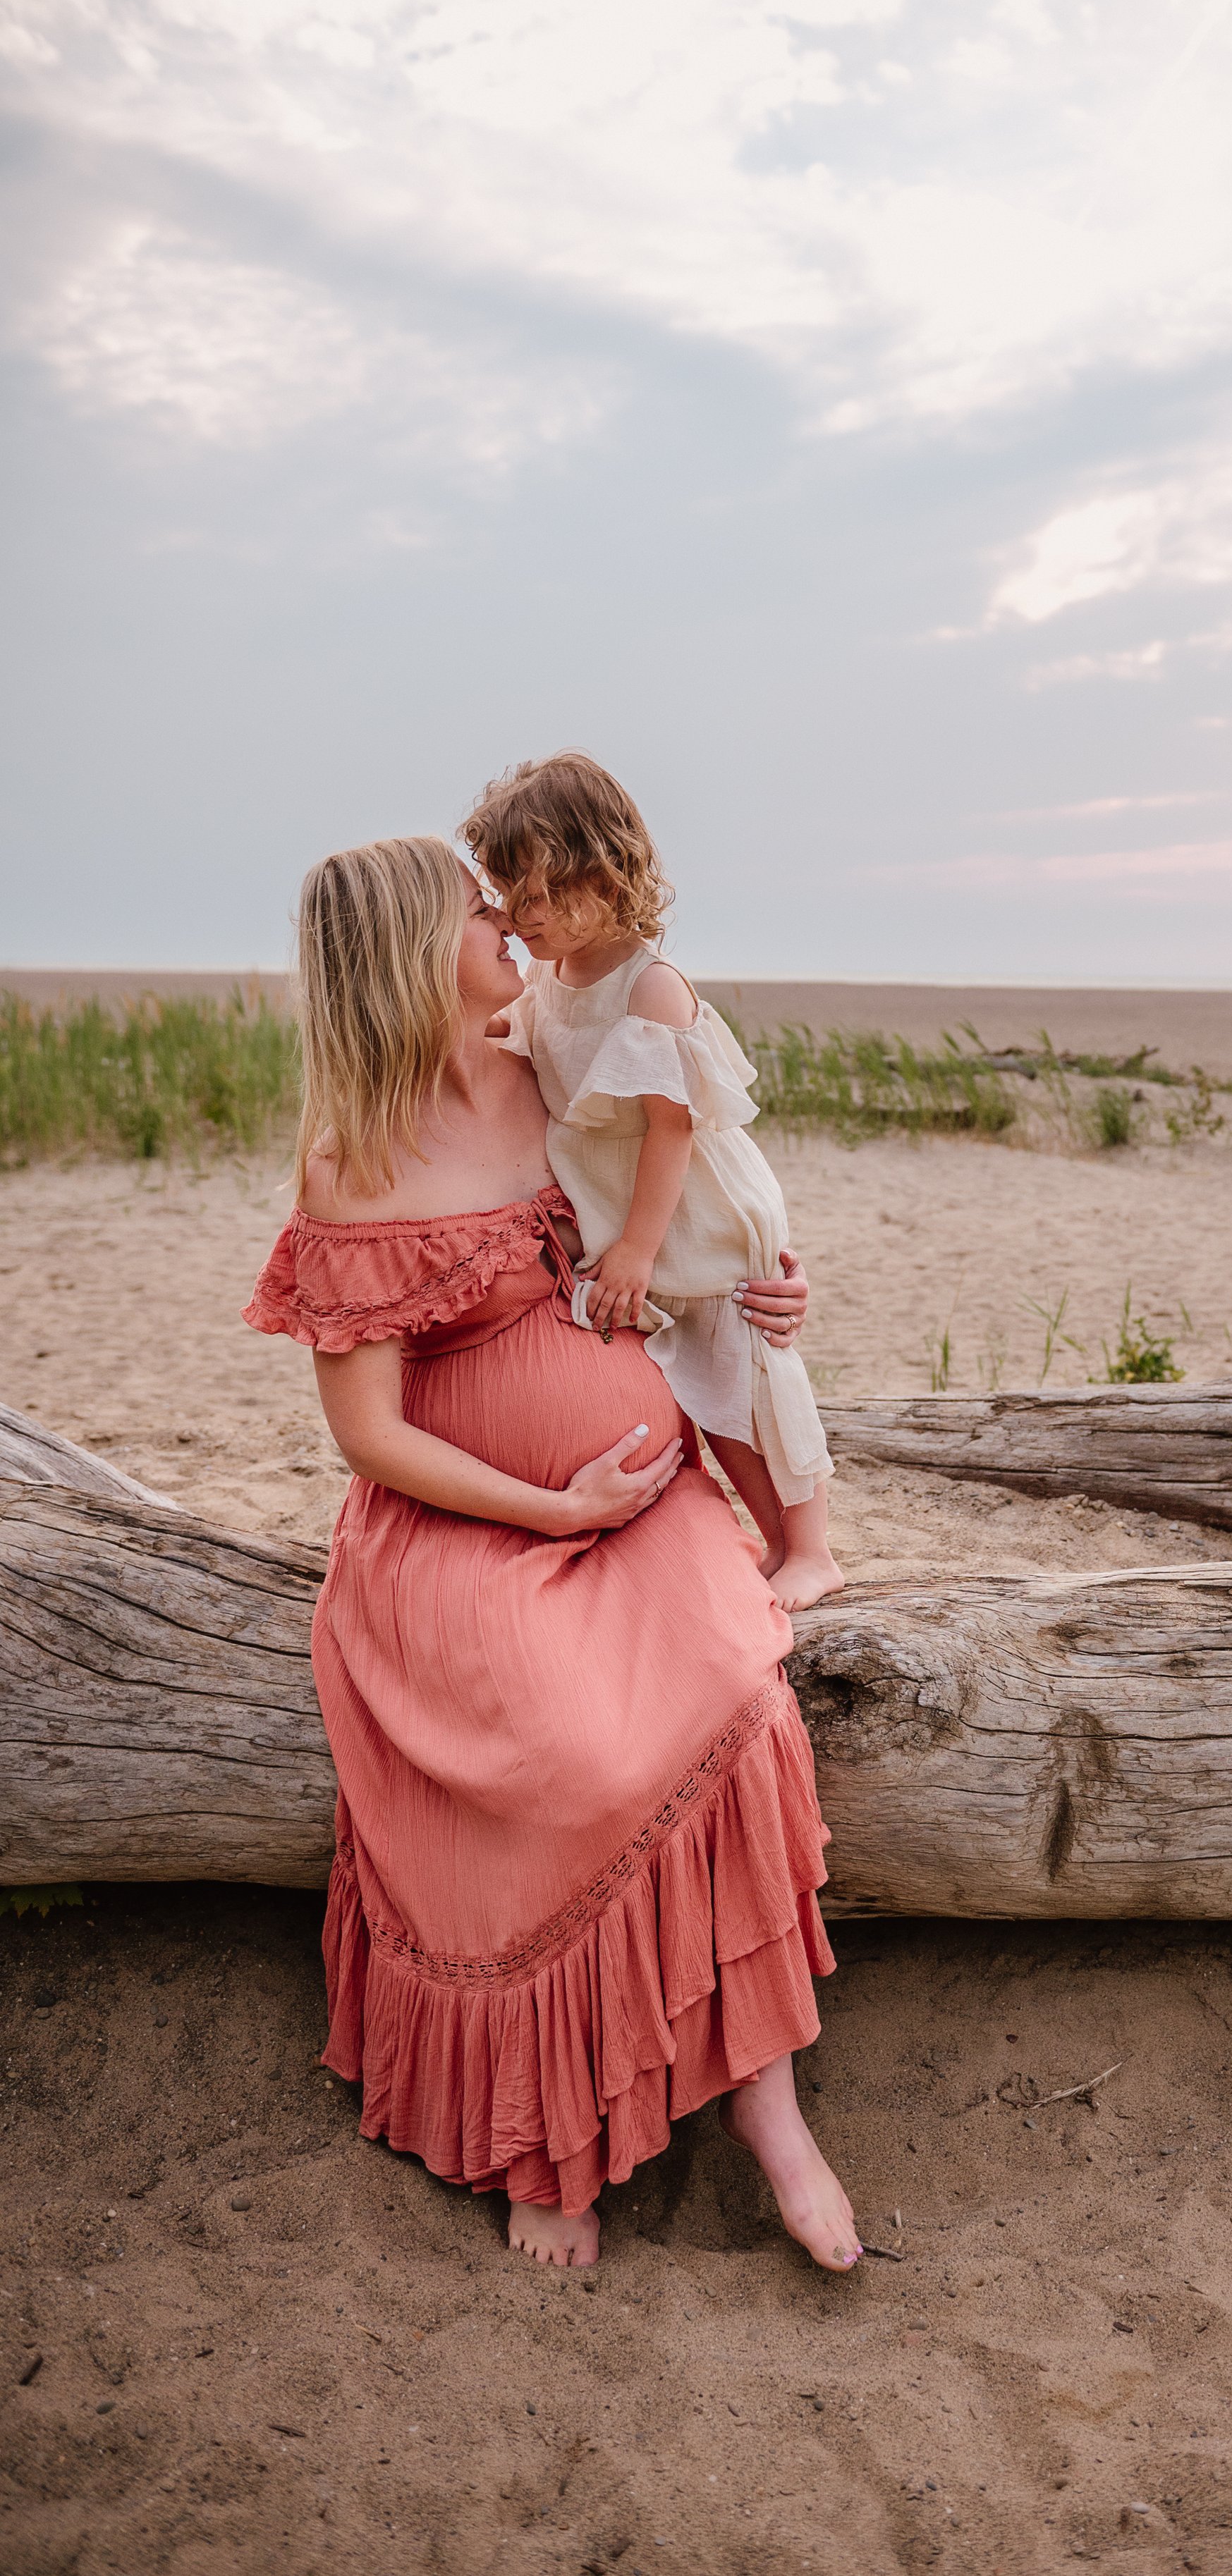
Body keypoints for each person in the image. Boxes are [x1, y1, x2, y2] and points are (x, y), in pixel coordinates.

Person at [243, 834, 861, 2274]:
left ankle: (771, 2116)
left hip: (639, 1513)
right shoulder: (352, 1155)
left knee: (744, 1705)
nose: (512, 927)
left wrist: (770, 1283)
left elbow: (690, 1198)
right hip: (461, 1526)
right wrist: (545, 1512)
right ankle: (546, 2141)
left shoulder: (550, 1065)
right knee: (564, 1763)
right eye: (480, 912)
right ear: (412, 951)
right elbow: (370, 1439)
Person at [462, 752, 843, 1614]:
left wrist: (635, 1247)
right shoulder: (553, 983)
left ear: (601, 875)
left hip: (693, 1208)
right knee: (704, 1387)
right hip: (632, 1210)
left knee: (751, 1367)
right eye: (506, 897)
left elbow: (671, 1128)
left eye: (537, 896)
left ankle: (812, 1548)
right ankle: (777, 1541)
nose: (519, 920)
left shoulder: (650, 986)